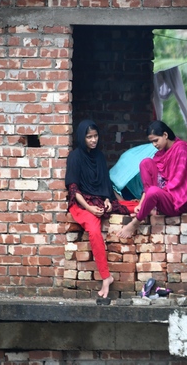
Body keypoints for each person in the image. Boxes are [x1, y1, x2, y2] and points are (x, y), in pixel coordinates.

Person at [65, 119, 139, 301]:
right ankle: (106, 277)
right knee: (94, 231)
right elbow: (73, 189)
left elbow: (105, 184)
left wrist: (106, 200)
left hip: (99, 201)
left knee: (132, 206)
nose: (93, 140)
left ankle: (146, 208)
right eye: (89, 137)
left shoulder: (99, 156)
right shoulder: (74, 157)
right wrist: (89, 207)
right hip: (82, 204)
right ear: (82, 138)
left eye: (95, 136)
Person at [117, 121, 187, 239]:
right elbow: (151, 182)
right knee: (145, 163)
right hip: (161, 195)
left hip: (176, 201)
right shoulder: (161, 153)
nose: (154, 145)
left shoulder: (181, 149)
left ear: (165, 135)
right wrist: (141, 204)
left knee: (153, 191)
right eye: (152, 142)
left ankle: (134, 223)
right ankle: (149, 206)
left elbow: (179, 180)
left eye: (156, 140)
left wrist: (159, 192)